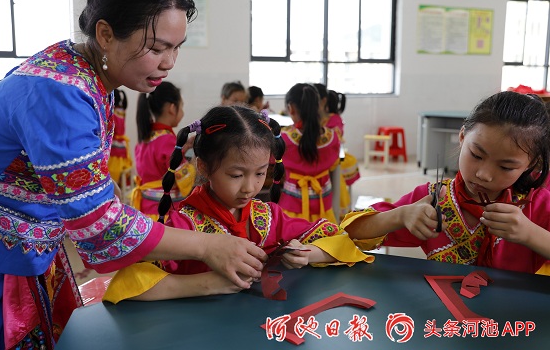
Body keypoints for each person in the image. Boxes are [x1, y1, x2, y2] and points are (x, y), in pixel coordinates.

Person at [0, 0, 266, 349]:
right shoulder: (60, 94)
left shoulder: (88, 76)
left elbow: (85, 191)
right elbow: (100, 226)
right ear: (105, 34)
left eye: (176, 48)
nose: (169, 63)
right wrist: (208, 245)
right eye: (156, 48)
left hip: (21, 247)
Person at [103, 105, 373, 302]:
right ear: (204, 167)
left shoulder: (267, 218)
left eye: (259, 173)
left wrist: (305, 254)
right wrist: (207, 284)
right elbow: (127, 284)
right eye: (236, 175)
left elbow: (338, 239)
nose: (250, 187)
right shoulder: (182, 225)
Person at [343, 91, 550, 274]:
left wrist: (531, 234)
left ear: (530, 163)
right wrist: (401, 215)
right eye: (477, 155)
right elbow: (351, 231)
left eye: (506, 167)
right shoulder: (434, 198)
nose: (484, 175)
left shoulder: (537, 205)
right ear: (462, 136)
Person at [132, 81, 196, 221]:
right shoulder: (168, 141)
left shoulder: (146, 138)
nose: (183, 112)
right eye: (182, 106)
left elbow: (160, 166)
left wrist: (183, 149)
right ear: (172, 108)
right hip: (165, 214)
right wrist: (196, 164)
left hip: (147, 212)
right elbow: (185, 179)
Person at [278, 84, 341, 223]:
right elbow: (333, 167)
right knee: (323, 243)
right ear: (319, 106)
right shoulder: (332, 137)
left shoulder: (285, 138)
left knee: (292, 244)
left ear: (291, 108)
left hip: (291, 210)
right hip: (323, 210)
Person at [108, 89, 133, 186]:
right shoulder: (121, 110)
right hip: (122, 145)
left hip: (115, 146)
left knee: (112, 171)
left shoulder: (112, 111)